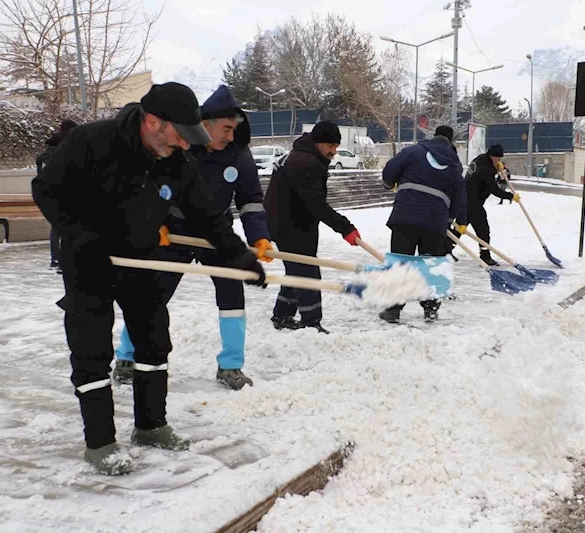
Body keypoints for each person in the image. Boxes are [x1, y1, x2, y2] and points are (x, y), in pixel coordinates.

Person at [31, 82, 267, 475]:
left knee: (154, 340)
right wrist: (80, 235)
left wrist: (238, 255)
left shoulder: (177, 161)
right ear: (153, 121)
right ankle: (100, 443)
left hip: (141, 258)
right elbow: (47, 191)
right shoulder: (92, 142)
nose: (185, 146)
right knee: (91, 350)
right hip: (89, 260)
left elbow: (205, 215)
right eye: (179, 135)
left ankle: (151, 425)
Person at [112, 85, 272, 391]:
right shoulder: (182, 146)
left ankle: (230, 366)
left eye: (234, 129)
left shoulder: (239, 154)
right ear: (206, 124)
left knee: (232, 297)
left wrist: (259, 237)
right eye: (226, 128)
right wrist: (154, 222)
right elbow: (154, 186)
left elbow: (251, 199)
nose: (230, 135)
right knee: (152, 296)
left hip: (218, 233)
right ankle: (127, 356)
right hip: (175, 231)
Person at [264, 121, 360, 334]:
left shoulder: (301, 155)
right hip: (291, 223)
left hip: (287, 220)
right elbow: (316, 204)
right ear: (317, 142)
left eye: (336, 146)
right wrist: (345, 228)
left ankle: (283, 314)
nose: (334, 152)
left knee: (296, 268)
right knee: (307, 271)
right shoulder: (305, 162)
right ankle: (311, 322)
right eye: (330, 146)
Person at [378, 125, 465, 323]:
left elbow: (390, 170)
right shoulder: (454, 165)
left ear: (434, 137)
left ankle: (393, 309)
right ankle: (431, 309)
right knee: (431, 264)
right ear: (451, 142)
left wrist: (389, 183)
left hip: (405, 216)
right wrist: (448, 219)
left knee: (401, 262)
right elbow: (459, 197)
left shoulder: (413, 151)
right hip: (435, 222)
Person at [460, 144, 519, 266]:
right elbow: (495, 190)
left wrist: (499, 171)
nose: (499, 161)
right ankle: (485, 257)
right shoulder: (487, 171)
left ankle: (445, 250)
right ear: (492, 157)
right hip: (473, 202)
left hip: (465, 198)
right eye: (498, 159)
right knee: (483, 230)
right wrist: (511, 196)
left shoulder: (480, 160)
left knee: (460, 226)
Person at [36, 119, 78, 273]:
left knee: (56, 227)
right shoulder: (69, 147)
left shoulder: (46, 153)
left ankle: (55, 259)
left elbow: (40, 171)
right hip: (70, 192)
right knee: (72, 228)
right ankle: (65, 261)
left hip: (52, 194)